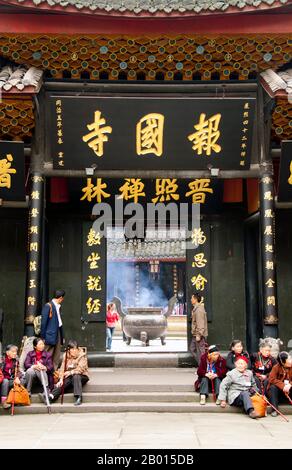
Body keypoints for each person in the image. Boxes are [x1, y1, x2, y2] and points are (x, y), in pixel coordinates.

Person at [39, 339, 89, 406]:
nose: (74, 351)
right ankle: (51, 397)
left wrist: (70, 372)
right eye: (72, 349)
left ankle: (78, 397)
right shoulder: (65, 356)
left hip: (81, 375)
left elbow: (81, 369)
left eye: (75, 349)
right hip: (69, 376)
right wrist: (61, 379)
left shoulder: (82, 356)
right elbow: (62, 369)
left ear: (77, 349)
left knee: (76, 376)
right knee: (62, 383)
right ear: (69, 350)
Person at [40, 289, 65, 370]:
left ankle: (53, 372)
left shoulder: (58, 307)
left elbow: (60, 322)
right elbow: (43, 323)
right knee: (47, 354)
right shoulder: (48, 306)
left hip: (57, 333)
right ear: (60, 298)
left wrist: (62, 336)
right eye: (62, 298)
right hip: (49, 335)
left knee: (56, 354)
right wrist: (43, 337)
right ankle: (45, 371)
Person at [267, 351, 292, 417]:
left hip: (289, 392)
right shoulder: (276, 367)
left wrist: (289, 385)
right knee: (273, 387)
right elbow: (271, 379)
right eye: (289, 359)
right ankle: (274, 410)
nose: (291, 360)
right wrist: (283, 386)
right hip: (279, 394)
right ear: (282, 362)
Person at [0, 344, 25, 409]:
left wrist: (17, 377)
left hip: (11, 379)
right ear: (7, 352)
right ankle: (3, 401)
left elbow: (19, 371)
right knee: (5, 381)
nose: (15, 353)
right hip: (3, 380)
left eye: (15, 352)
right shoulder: (1, 360)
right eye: (13, 351)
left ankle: (17, 398)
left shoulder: (16, 360)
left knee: (22, 380)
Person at [190, 293, 208, 364]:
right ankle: (202, 366)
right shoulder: (196, 309)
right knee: (192, 349)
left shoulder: (199, 310)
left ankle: (204, 368)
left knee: (201, 352)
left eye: (192, 298)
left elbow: (200, 323)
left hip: (199, 335)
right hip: (195, 334)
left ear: (195, 299)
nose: (191, 300)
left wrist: (199, 334)